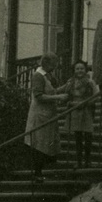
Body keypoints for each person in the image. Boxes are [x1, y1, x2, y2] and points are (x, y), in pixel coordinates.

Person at [24, 53, 68, 181]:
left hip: (48, 114)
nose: (55, 67)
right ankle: (37, 173)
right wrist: (58, 97)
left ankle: (40, 172)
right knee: (38, 143)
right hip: (39, 114)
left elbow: (52, 91)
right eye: (54, 64)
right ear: (47, 64)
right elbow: (39, 96)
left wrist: (65, 87)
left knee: (46, 142)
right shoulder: (38, 76)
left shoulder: (48, 75)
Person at [58, 60, 100, 168]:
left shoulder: (90, 82)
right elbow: (63, 91)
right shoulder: (71, 82)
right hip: (75, 110)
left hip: (86, 110)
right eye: (77, 69)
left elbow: (96, 95)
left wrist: (87, 103)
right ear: (74, 70)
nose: (80, 71)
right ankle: (79, 161)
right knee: (78, 137)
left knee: (88, 136)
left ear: (85, 70)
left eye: (82, 68)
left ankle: (88, 160)